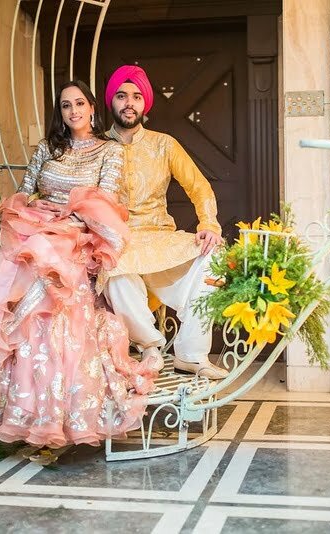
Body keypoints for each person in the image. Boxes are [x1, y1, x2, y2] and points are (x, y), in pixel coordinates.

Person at [0, 80, 162, 452]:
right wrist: (28, 208)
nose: (73, 111)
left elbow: (103, 200)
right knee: (24, 262)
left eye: (79, 103)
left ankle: (70, 411)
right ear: (59, 112)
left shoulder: (109, 152)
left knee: (57, 277)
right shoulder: (48, 148)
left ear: (92, 108)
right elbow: (27, 189)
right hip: (41, 227)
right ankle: (33, 409)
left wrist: (66, 213)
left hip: (80, 233)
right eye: (65, 106)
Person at [101, 65, 229, 380]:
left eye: (135, 96)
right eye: (121, 96)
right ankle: (150, 347)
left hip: (160, 238)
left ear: (145, 104)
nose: (128, 103)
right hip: (119, 241)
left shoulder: (164, 144)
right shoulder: (97, 146)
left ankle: (191, 352)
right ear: (111, 102)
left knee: (216, 255)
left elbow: (200, 189)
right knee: (112, 266)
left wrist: (209, 225)